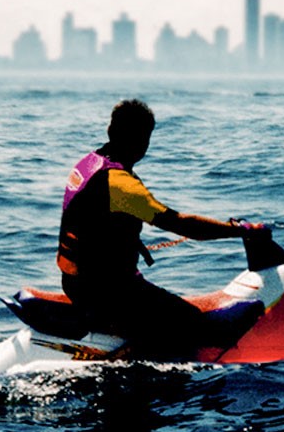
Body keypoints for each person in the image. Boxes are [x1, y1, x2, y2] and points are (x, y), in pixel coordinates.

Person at [56, 99, 267, 359]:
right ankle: (121, 365)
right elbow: (182, 224)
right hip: (107, 291)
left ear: (110, 131)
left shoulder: (89, 163)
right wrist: (240, 230)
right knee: (193, 326)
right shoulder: (120, 184)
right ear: (143, 141)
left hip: (78, 282)